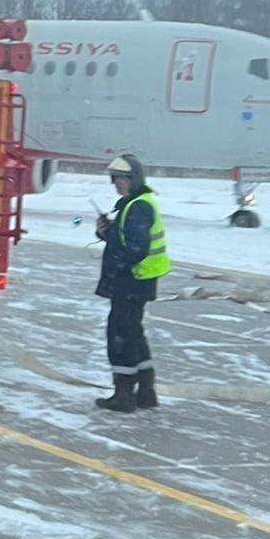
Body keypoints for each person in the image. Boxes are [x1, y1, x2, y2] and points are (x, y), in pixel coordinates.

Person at [93, 154, 171, 412]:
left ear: (133, 179)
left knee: (120, 336)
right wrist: (108, 232)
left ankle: (124, 394)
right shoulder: (134, 203)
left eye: (121, 179)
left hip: (132, 280)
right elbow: (127, 239)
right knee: (133, 333)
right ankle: (146, 392)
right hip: (139, 281)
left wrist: (115, 268)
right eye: (115, 179)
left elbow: (136, 247)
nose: (117, 184)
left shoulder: (138, 206)